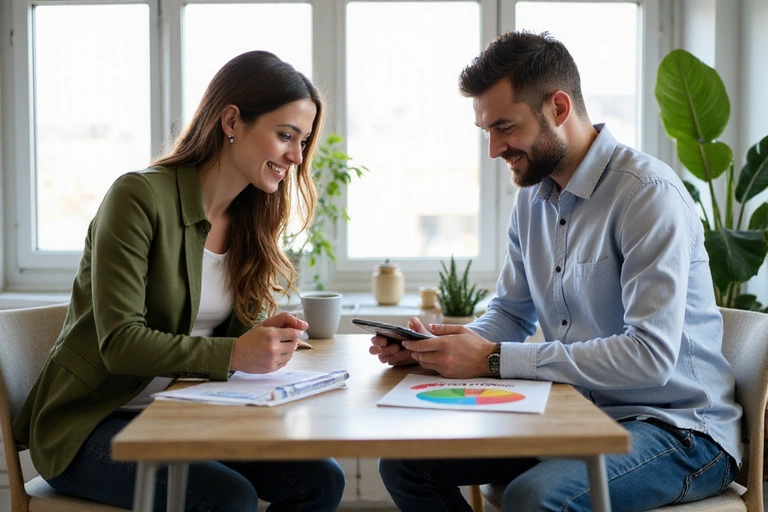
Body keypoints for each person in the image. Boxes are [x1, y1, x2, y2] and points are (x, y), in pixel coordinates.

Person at [370, 31, 741, 512]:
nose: (493, 149)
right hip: (573, 414)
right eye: (486, 131)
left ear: (559, 108)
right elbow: (509, 314)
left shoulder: (646, 195)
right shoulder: (531, 200)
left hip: (680, 430)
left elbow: (649, 356)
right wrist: (438, 352)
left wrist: (494, 360)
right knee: (406, 465)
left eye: (504, 127)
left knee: (534, 497)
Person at [14, 51, 345, 511]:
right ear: (232, 120)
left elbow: (228, 338)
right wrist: (235, 352)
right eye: (285, 135)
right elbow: (120, 343)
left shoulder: (251, 219)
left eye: (303, 140)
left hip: (183, 416)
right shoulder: (138, 197)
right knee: (228, 498)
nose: (297, 155)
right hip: (91, 424)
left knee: (322, 479)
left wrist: (262, 340)